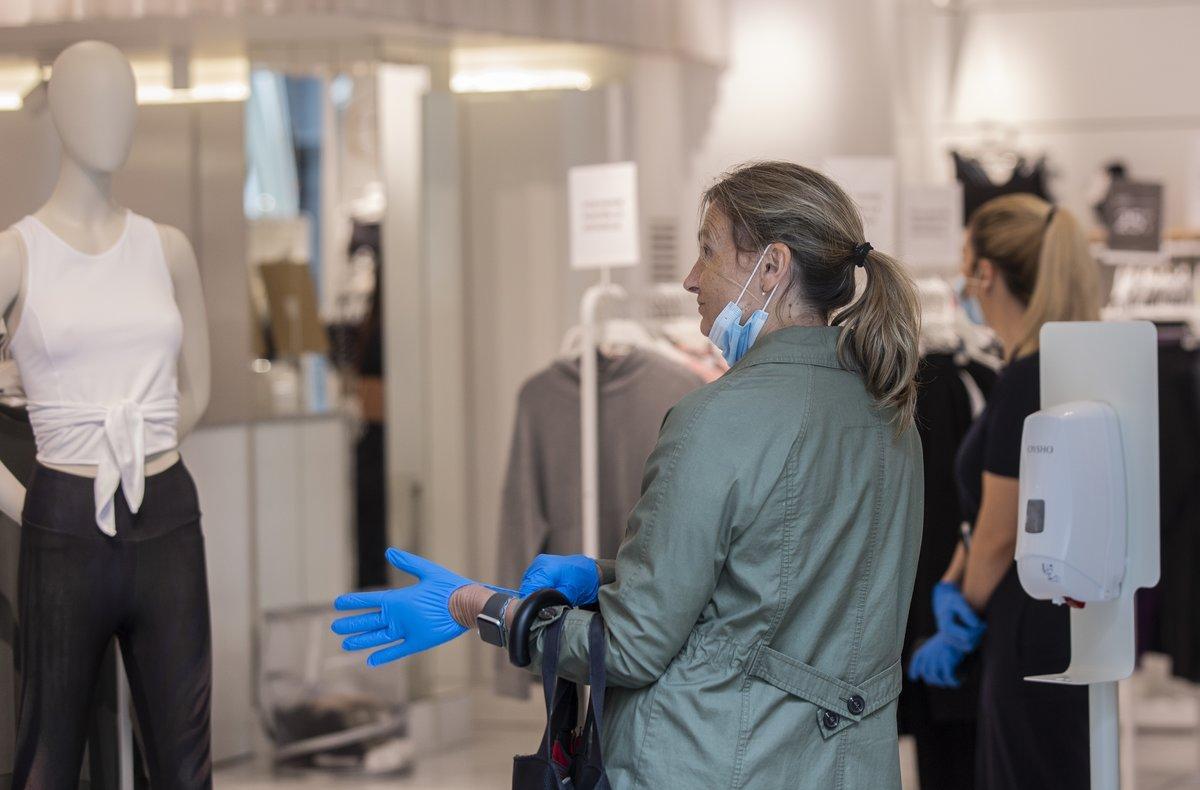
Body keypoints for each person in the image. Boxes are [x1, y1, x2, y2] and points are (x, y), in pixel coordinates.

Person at [332, 161, 925, 788]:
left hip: (714, 759)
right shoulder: (890, 414)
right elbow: (771, 589)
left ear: (771, 269)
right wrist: (603, 578)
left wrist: (483, 608)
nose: (691, 278)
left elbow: (633, 648)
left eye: (708, 250)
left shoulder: (714, 419)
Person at [907, 194, 1100, 790]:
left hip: (1021, 623)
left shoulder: (1023, 379)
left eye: (966, 263)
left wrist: (959, 611)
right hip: (1052, 617)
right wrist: (950, 582)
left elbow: (999, 527)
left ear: (986, 273)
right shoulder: (1060, 368)